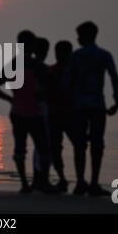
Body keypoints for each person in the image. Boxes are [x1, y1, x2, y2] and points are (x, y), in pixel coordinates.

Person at [0, 31, 55, 194]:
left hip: (18, 112)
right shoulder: (38, 66)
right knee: (43, 148)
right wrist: (41, 95)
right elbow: (50, 88)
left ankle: (25, 183)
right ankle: (44, 182)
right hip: (35, 113)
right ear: (32, 45)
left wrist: (10, 99)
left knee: (20, 149)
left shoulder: (14, 64)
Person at [65, 21, 118, 196]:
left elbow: (67, 82)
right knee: (97, 144)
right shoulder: (104, 55)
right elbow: (114, 78)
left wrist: (67, 103)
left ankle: (81, 182)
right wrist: (117, 101)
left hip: (79, 106)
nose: (77, 38)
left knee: (79, 145)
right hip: (97, 105)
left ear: (85, 36)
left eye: (79, 35)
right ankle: (93, 183)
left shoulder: (76, 56)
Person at [47, 41, 73, 193]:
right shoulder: (51, 71)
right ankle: (63, 179)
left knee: (76, 147)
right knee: (56, 149)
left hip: (66, 114)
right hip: (57, 114)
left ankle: (67, 179)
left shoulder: (72, 71)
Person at [31, 37, 53, 191]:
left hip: (32, 108)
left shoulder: (29, 67)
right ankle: (42, 179)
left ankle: (37, 179)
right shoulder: (43, 68)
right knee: (44, 145)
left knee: (38, 146)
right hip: (42, 108)